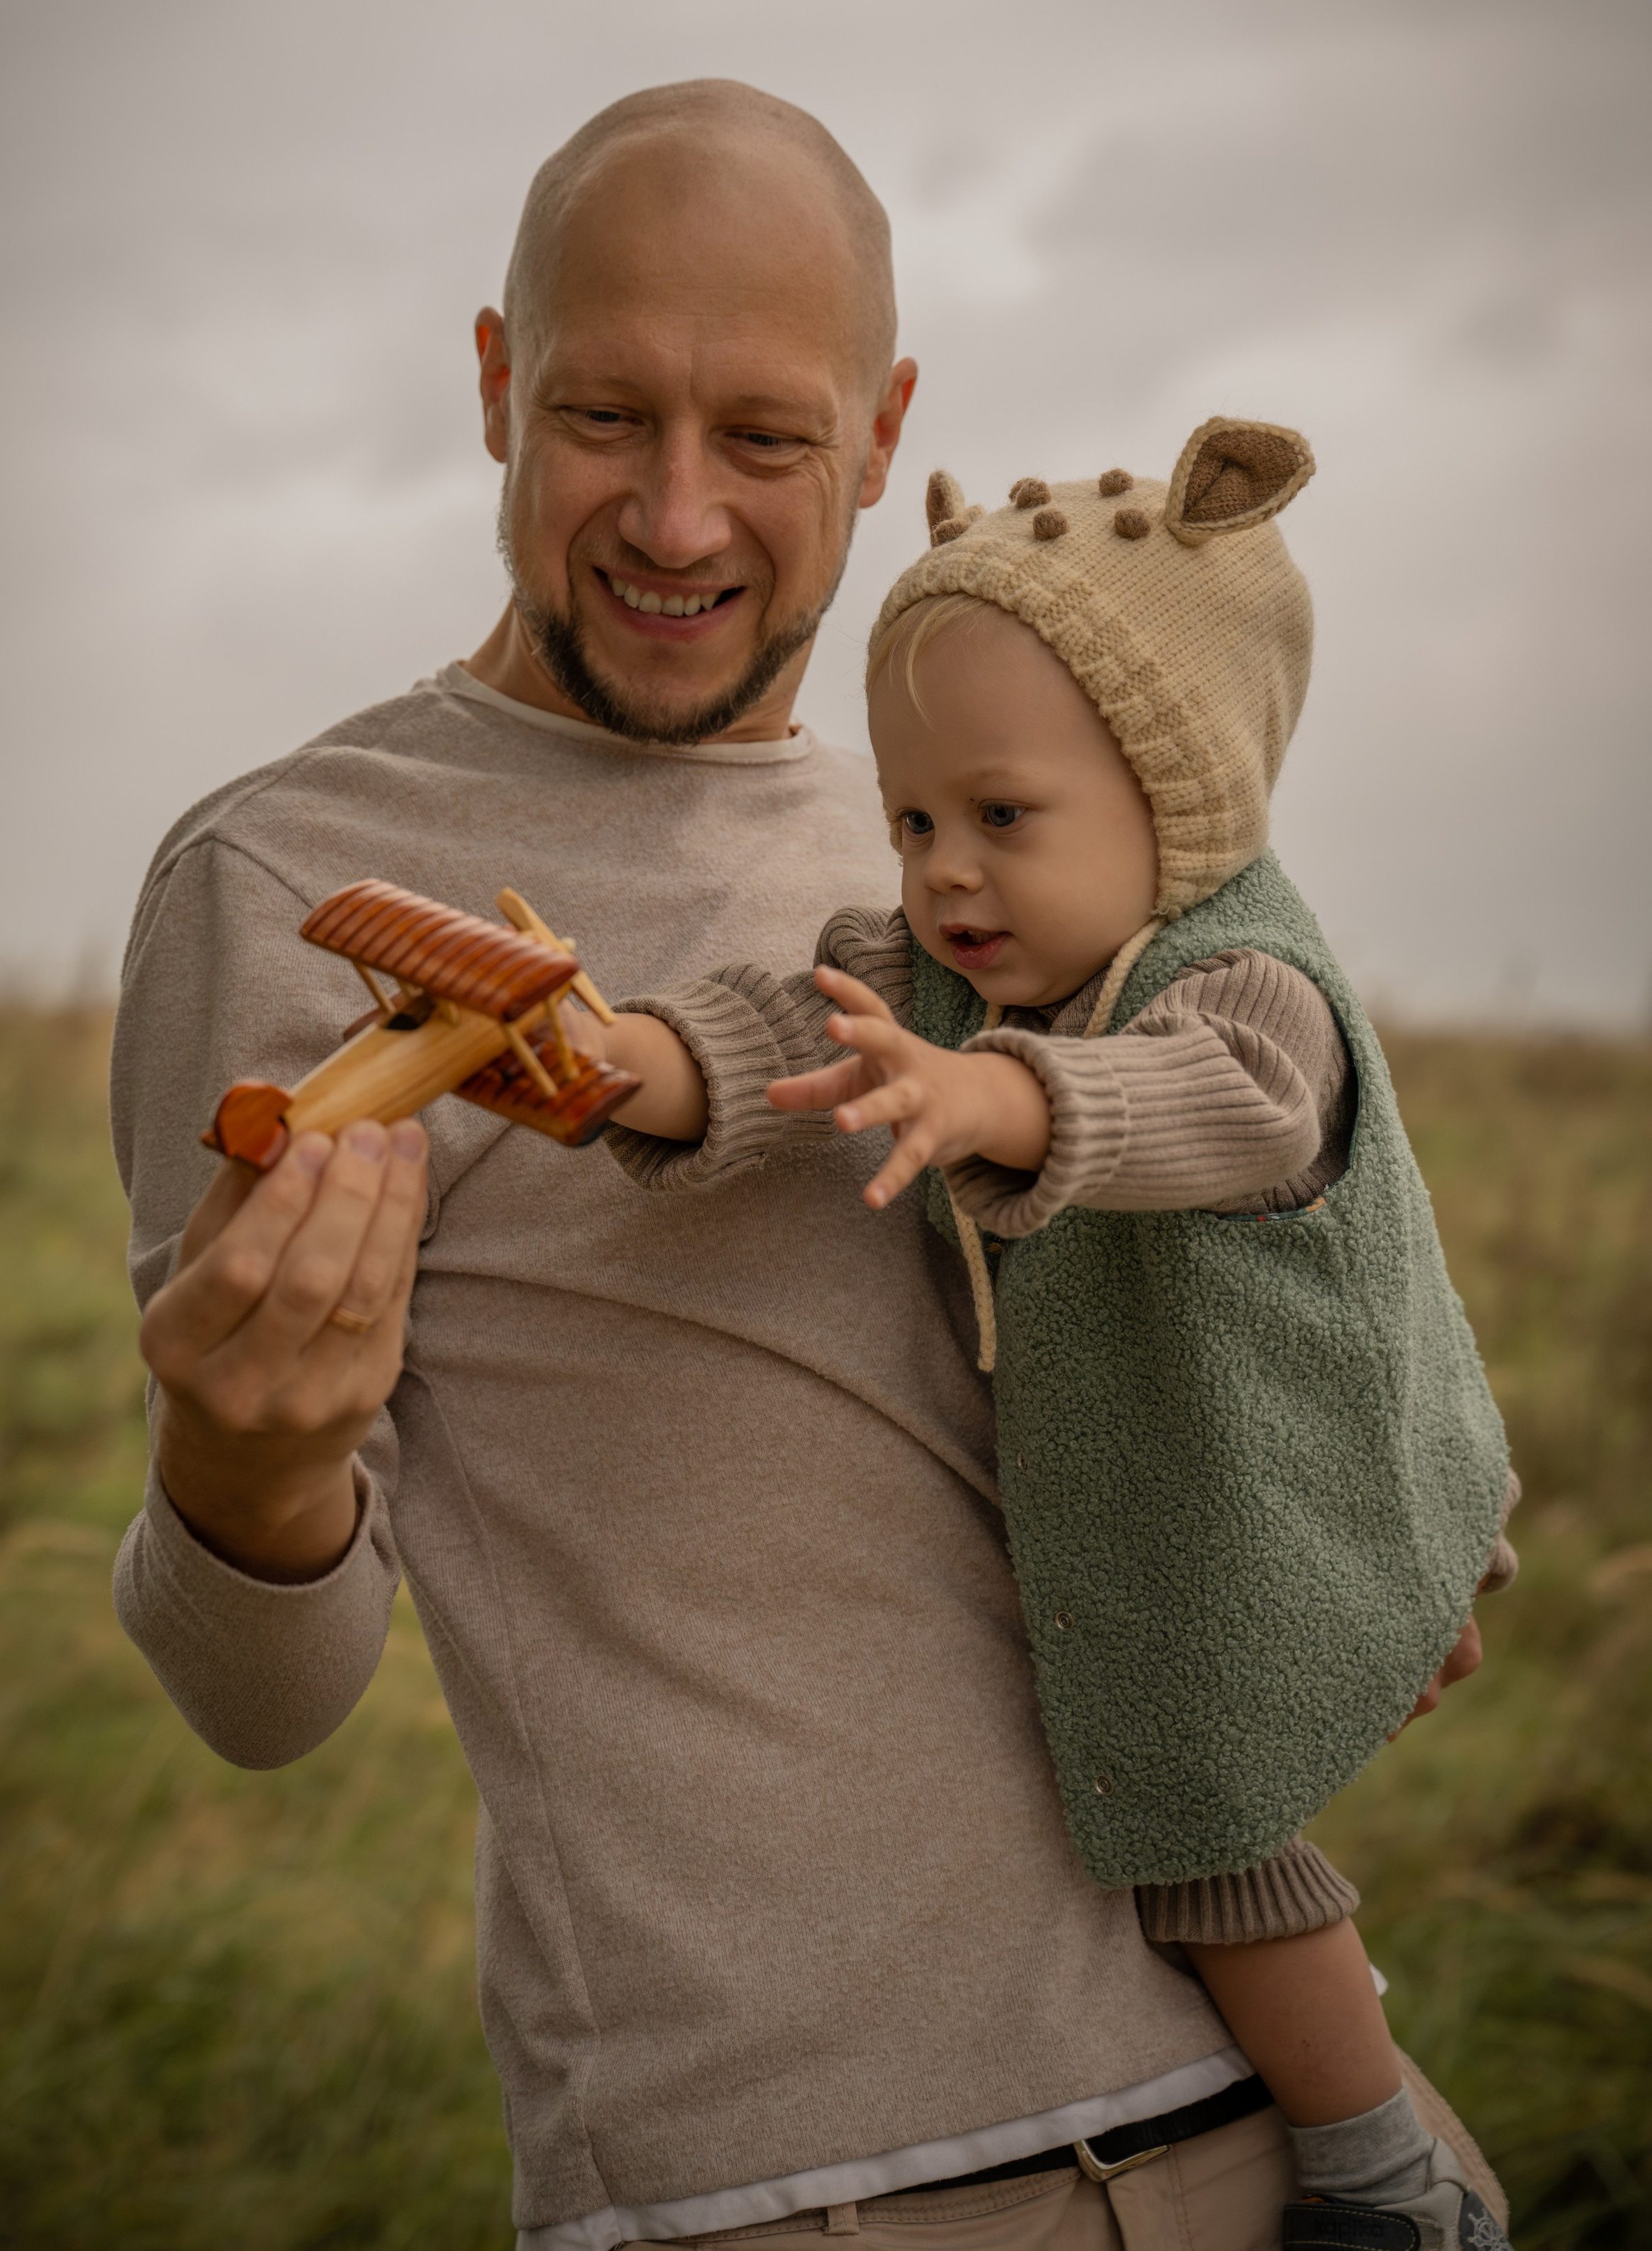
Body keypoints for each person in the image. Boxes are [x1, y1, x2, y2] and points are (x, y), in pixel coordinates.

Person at [112, 81, 1502, 2251]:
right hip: (788, 2191)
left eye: (763, 438)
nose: (677, 517)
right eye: (603, 418)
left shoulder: (975, 830)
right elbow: (258, 1704)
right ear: (493, 385)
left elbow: (1280, 1219)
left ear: (882, 432)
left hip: (1279, 2108)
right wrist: (242, 1467)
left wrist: (1367, 1539)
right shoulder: (282, 880)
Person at [564, 423, 1519, 2250]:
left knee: (1212, 1839)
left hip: (1319, 1471)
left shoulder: (1244, 984)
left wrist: (989, 1099)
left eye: (1003, 817)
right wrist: (635, 1061)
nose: (944, 874)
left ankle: (1384, 2179)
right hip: (1208, 1482)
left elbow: (1203, 1107)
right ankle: (1368, 2151)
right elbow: (795, 1023)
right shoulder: (956, 980)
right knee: (1193, 1837)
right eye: (915, 821)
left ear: (1183, 798)